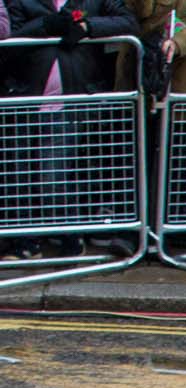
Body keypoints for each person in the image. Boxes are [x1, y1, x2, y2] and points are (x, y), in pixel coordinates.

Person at [5, 0, 138, 259]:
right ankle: (28, 240)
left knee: (52, 174)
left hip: (74, 99)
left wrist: (88, 26)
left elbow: (128, 21)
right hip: (26, 98)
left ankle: (69, 235)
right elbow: (10, 38)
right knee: (21, 174)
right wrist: (44, 25)